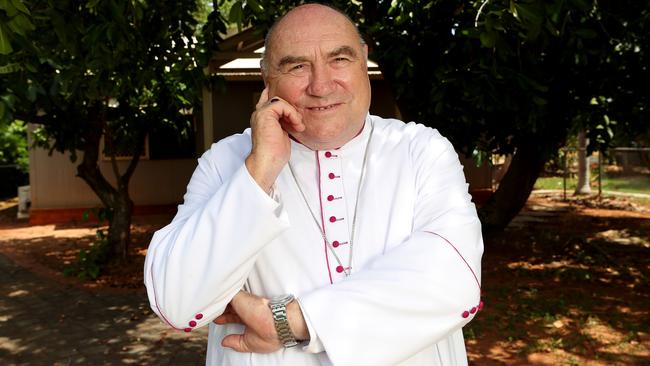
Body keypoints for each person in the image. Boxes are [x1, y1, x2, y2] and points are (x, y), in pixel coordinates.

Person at [144, 3, 484, 365]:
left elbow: (454, 281)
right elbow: (176, 302)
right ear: (267, 78)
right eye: (297, 66)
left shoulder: (422, 150)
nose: (321, 86)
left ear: (364, 61)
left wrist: (290, 321)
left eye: (340, 59)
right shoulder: (224, 162)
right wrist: (259, 170)